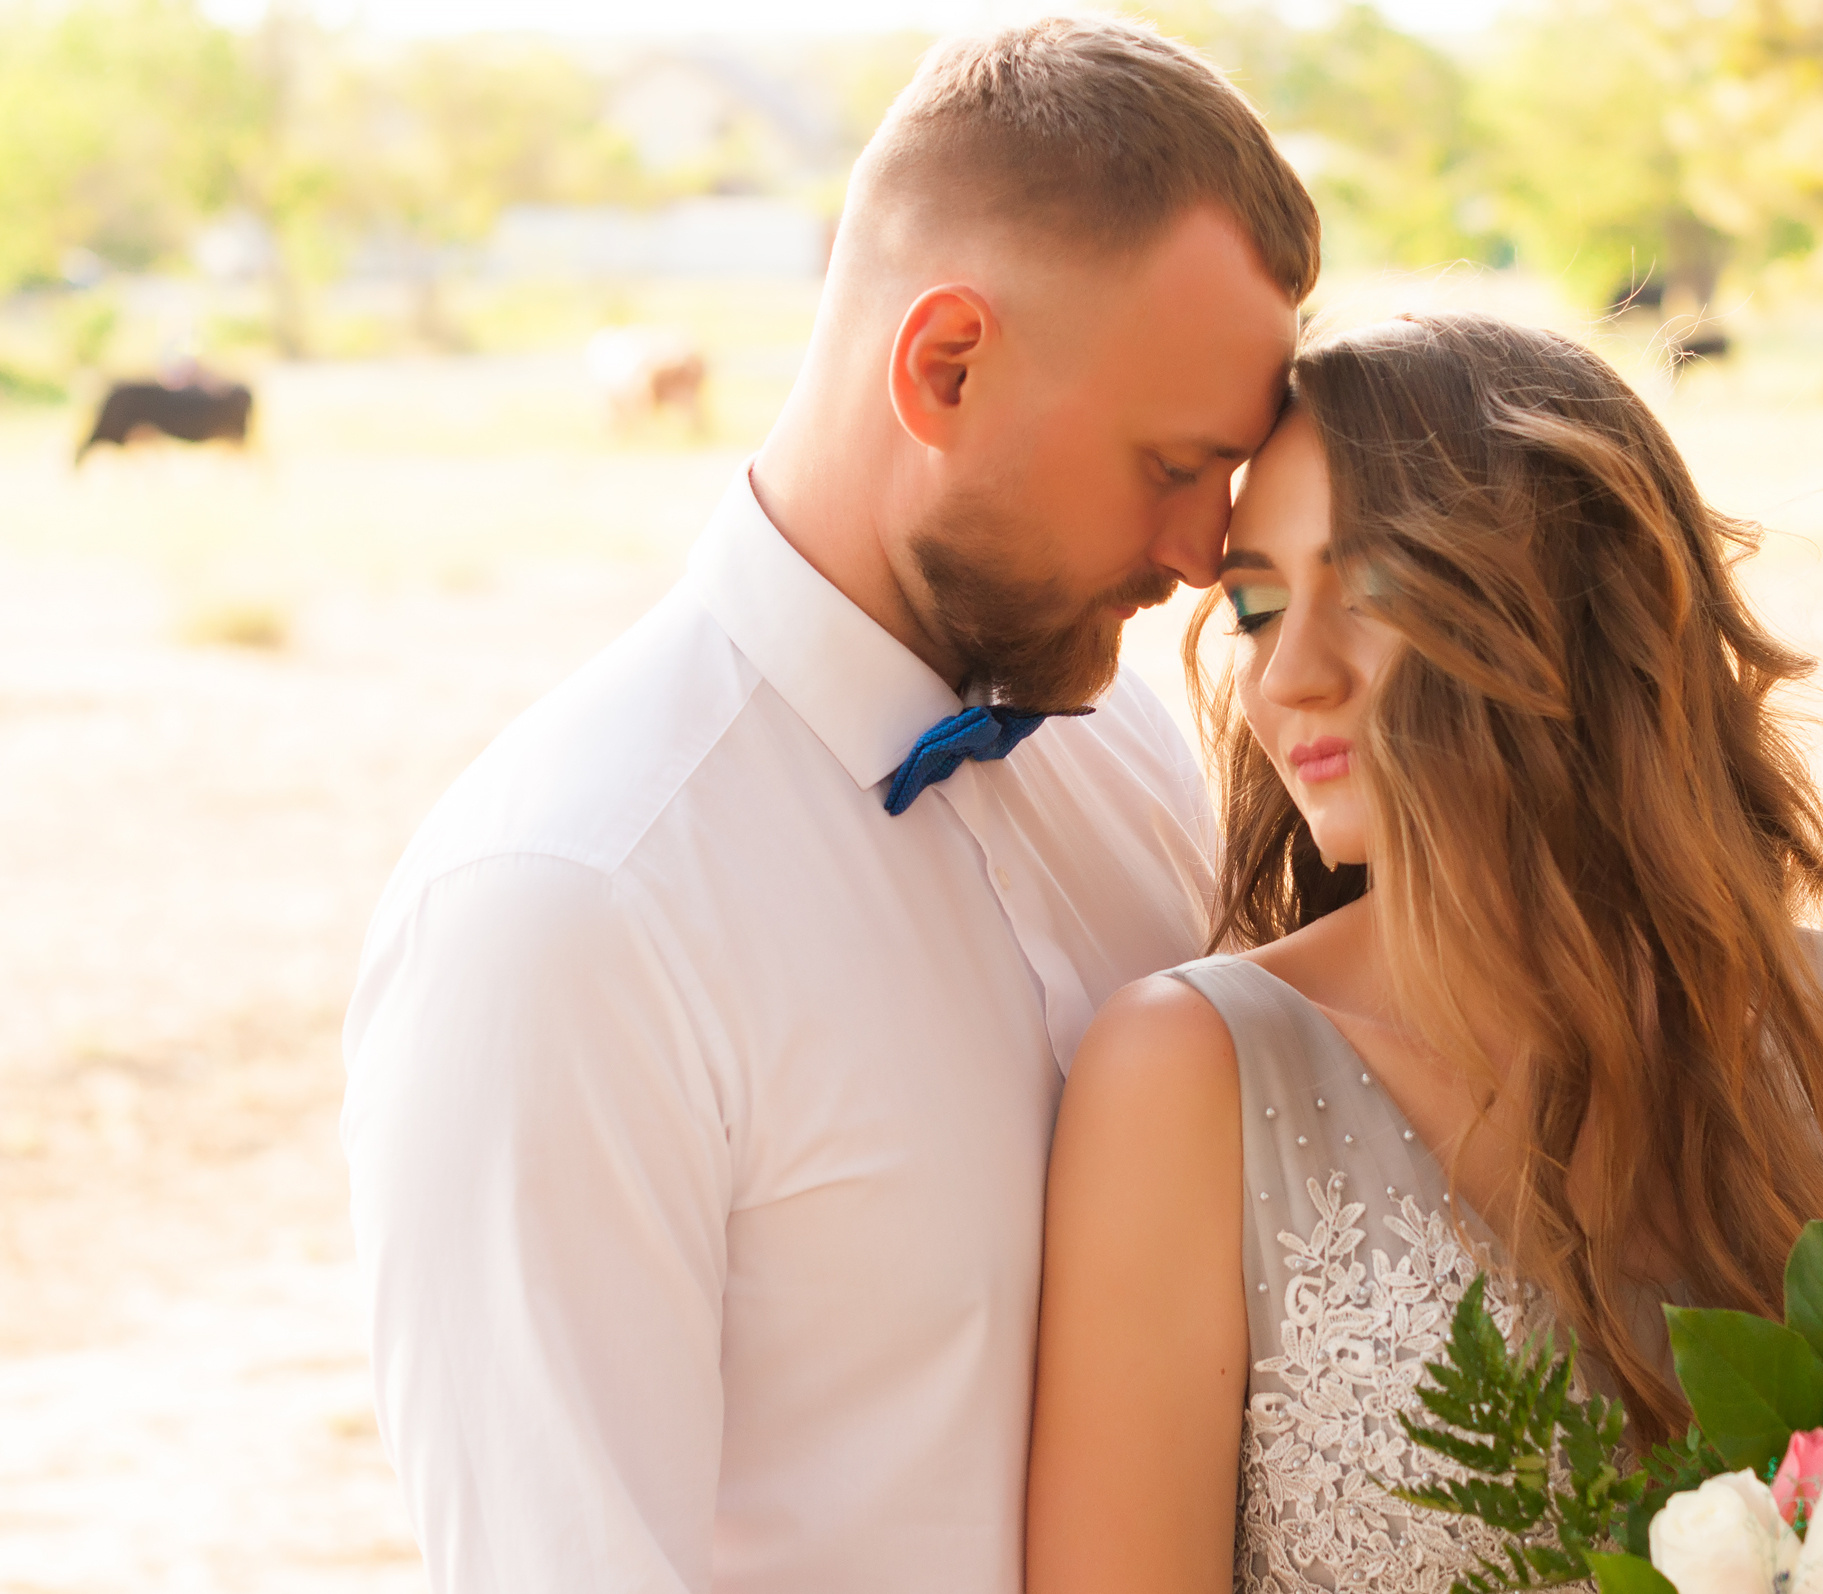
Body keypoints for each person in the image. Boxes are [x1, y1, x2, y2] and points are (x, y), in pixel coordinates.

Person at [340, 20, 1317, 1593]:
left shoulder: (1130, 743)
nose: (1207, 549)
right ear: (946, 365)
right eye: (1170, 465)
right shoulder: (569, 910)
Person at [1025, 313, 1823, 1594]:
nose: (1288, 673)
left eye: (1369, 588)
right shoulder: (1188, 1074)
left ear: (1572, 610)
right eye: (1254, 605)